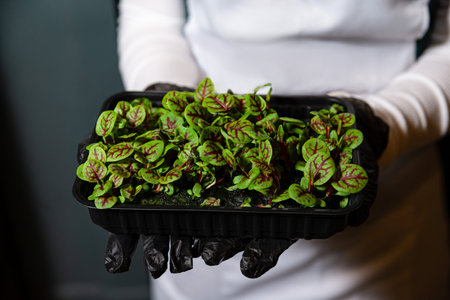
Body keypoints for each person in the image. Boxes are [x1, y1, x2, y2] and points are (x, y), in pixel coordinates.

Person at [112, 0, 450, 299]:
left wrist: (390, 121)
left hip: (386, 228)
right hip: (210, 209)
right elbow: (150, 16)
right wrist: (161, 105)